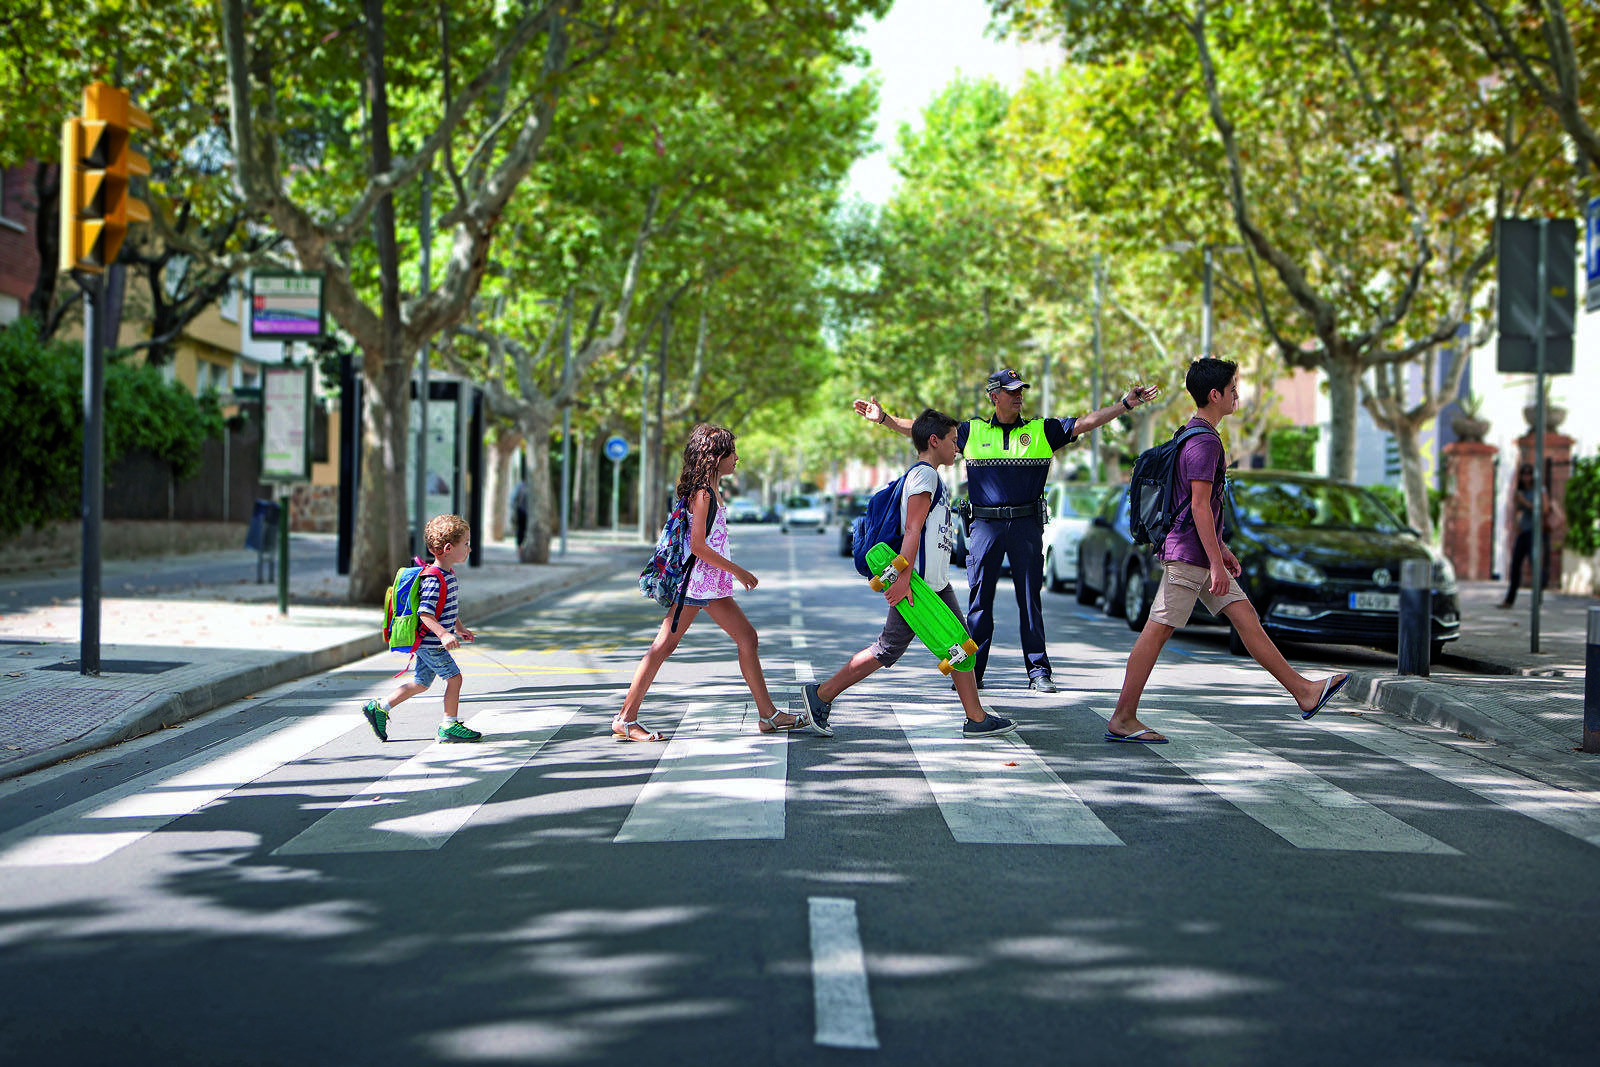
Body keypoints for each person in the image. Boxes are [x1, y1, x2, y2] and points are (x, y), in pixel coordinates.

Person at [855, 368, 1159, 691]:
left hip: (1026, 525)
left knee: (1030, 600)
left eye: (1021, 391)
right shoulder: (972, 432)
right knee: (980, 602)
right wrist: (884, 418)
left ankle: (1038, 670)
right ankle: (975, 671)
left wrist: (1124, 404)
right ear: (994, 396)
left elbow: (1085, 422)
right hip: (985, 526)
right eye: (1011, 391)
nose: (1018, 396)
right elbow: (926, 431)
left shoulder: (1043, 431)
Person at [1104, 358, 1348, 744]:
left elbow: (1196, 504)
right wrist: (1216, 563)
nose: (1238, 394)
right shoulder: (1204, 442)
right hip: (1188, 555)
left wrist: (1221, 549)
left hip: (1199, 551)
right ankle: (1122, 716)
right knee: (1155, 632)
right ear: (1214, 395)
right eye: (1233, 387)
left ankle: (1304, 691)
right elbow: (1198, 505)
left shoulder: (1194, 433)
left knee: (1246, 617)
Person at [800, 410, 1018, 739]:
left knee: (959, 645)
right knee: (889, 648)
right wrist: (902, 580)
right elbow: (913, 530)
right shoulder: (924, 476)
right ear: (934, 441)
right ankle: (821, 696)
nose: (958, 445)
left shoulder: (931, 477)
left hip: (934, 584)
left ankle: (976, 718)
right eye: (953, 439)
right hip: (918, 585)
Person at [612, 423, 811, 742]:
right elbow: (698, 546)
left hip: (711, 585)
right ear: (715, 457)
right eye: (732, 453)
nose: (737, 458)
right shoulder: (703, 493)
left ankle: (768, 716)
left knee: (747, 637)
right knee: (663, 646)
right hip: (695, 585)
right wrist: (738, 571)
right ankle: (625, 718)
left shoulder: (710, 490)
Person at [360, 514, 484, 743]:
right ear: (448, 548)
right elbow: (425, 613)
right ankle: (449, 725)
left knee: (420, 683)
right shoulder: (434, 579)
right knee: (454, 679)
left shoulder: (448, 576)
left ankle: (379, 707)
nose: (469, 548)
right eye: (465, 544)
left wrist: (458, 627)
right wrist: (444, 634)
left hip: (431, 642)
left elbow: (446, 608)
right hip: (431, 644)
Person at [1499, 464, 1552, 608]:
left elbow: (1545, 509)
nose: (1526, 477)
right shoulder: (1520, 491)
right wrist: (1516, 524)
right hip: (1523, 532)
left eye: (1529, 474)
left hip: (1535, 532)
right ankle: (1509, 600)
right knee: (1515, 565)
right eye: (1524, 474)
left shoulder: (1540, 490)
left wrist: (1525, 503)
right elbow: (1516, 512)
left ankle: (1537, 599)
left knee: (1535, 565)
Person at [511, 479, 529, 547]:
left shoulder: (521, 486)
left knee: (522, 530)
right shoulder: (520, 486)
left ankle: (522, 546)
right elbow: (513, 499)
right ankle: (520, 547)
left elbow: (513, 499)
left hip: (524, 512)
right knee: (521, 530)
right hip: (522, 512)